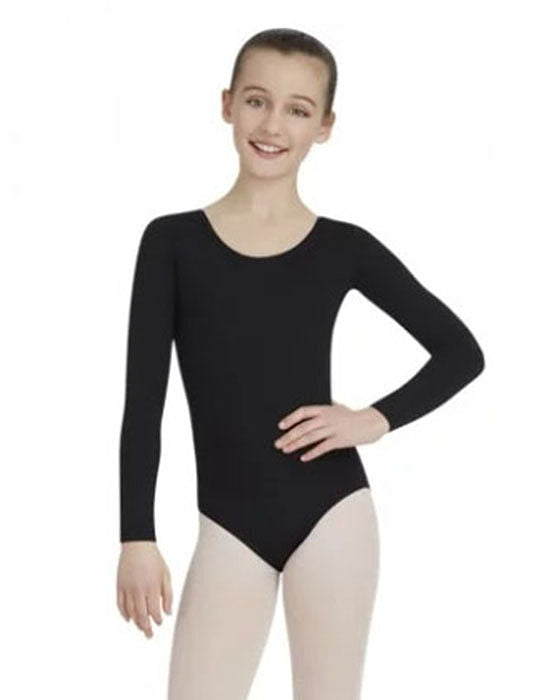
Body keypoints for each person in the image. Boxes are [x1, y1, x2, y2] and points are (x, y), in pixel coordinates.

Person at [116, 28, 485, 700]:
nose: (272, 125)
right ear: (227, 104)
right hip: (228, 521)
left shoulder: (345, 248)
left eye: (297, 109)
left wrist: (372, 419)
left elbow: (461, 352)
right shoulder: (171, 242)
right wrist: (136, 536)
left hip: (332, 513)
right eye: (257, 101)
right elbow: (144, 401)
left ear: (324, 126)